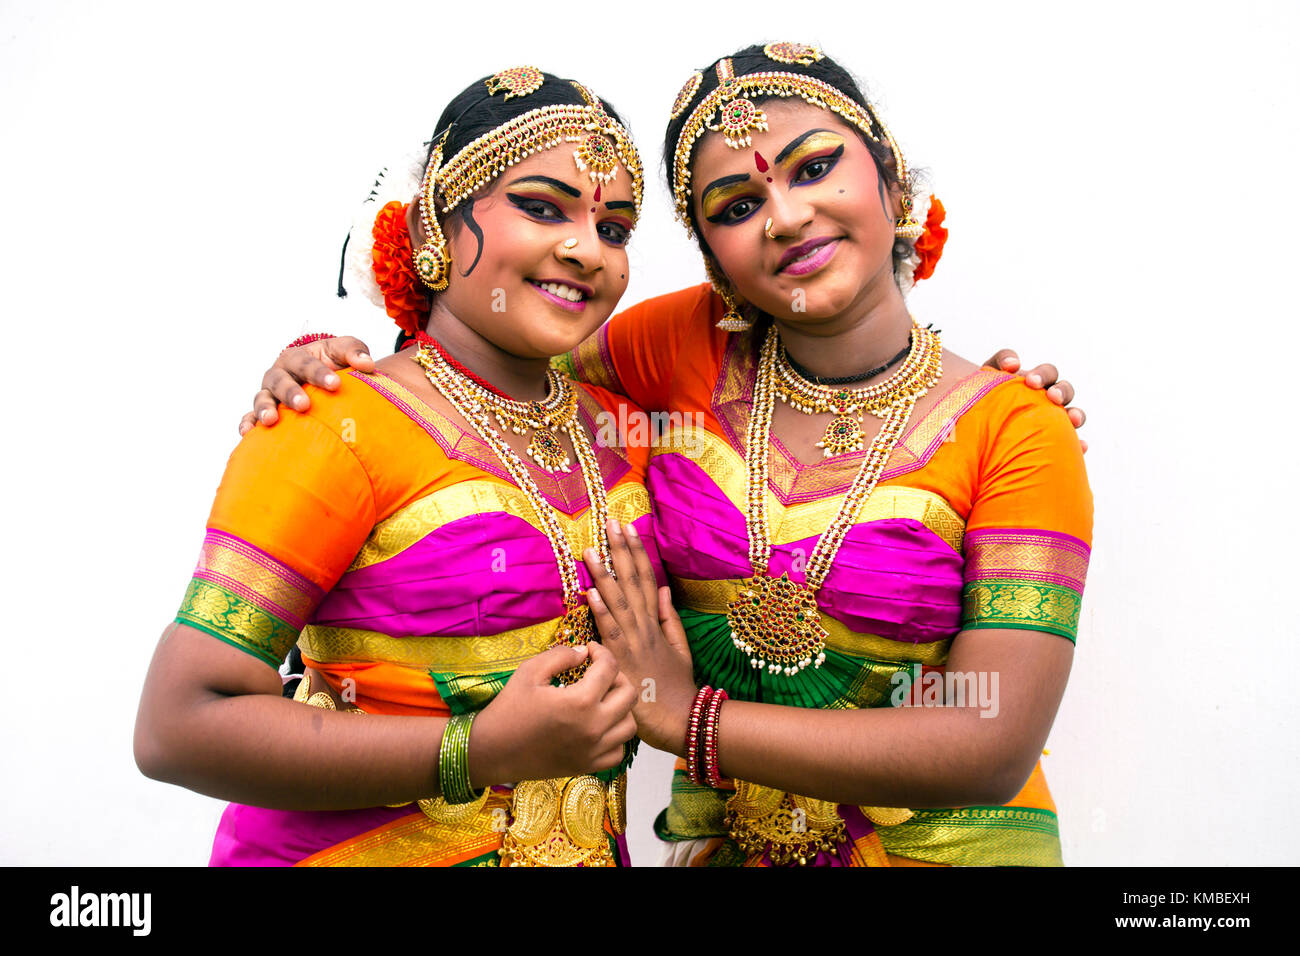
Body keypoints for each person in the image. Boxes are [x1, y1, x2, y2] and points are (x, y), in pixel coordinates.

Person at [242, 45, 1092, 866]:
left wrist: (687, 719)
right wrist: (325, 363)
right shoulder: (679, 347)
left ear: (894, 177)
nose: (787, 216)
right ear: (713, 255)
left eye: (813, 165)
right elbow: (488, 361)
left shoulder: (1016, 430)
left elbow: (989, 745)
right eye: (735, 206)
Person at [134, 67, 656, 867]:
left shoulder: (621, 430)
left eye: (615, 227)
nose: (586, 248)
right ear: (430, 234)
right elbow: (178, 726)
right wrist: (473, 751)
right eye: (542, 207)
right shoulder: (332, 420)